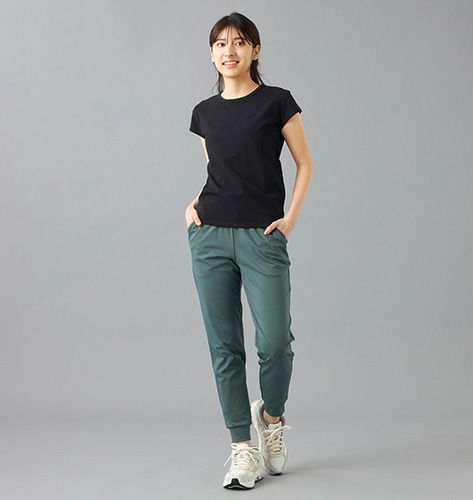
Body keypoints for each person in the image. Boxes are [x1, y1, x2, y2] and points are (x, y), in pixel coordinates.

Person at [185, 12, 313, 490]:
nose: (229, 51)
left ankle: (271, 420)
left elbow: (305, 163)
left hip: (263, 236)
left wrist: (290, 219)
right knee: (224, 345)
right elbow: (218, 171)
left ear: (255, 51)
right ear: (211, 53)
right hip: (210, 236)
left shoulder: (278, 102)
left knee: (275, 343)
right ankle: (242, 447)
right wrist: (194, 205)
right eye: (220, 43)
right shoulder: (203, 112)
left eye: (239, 42)